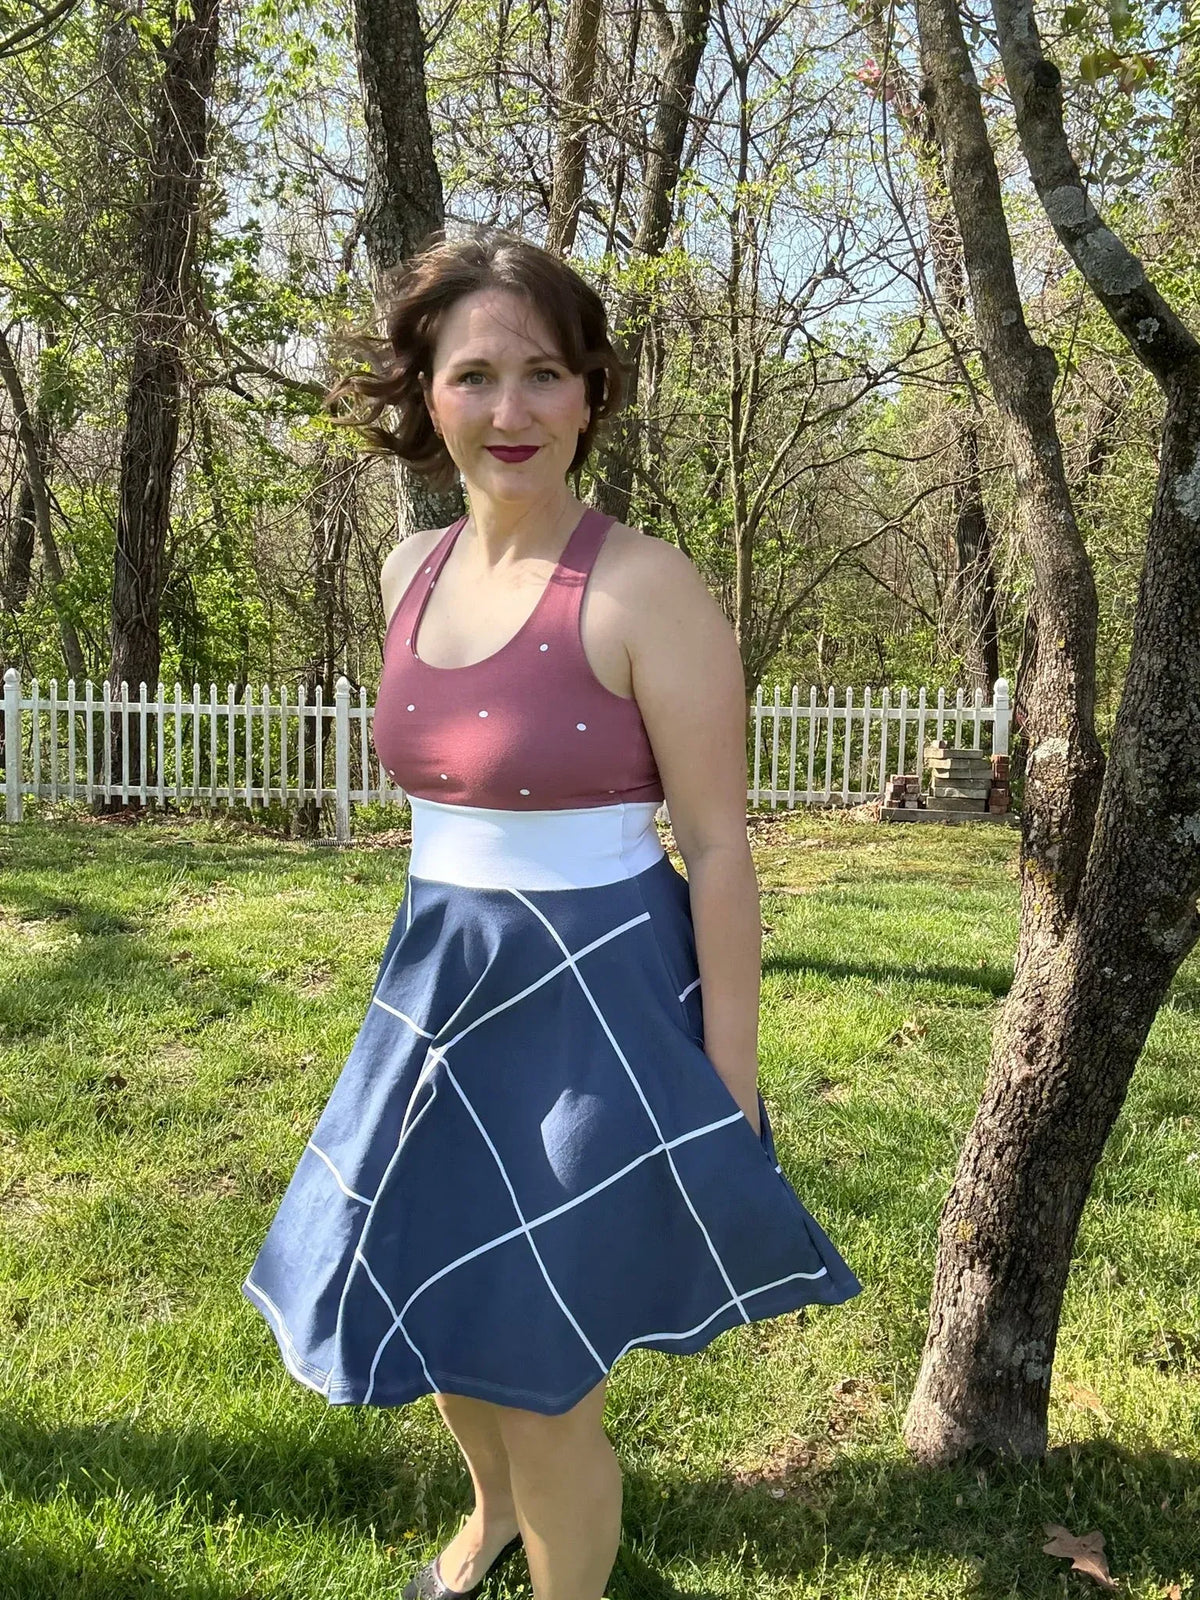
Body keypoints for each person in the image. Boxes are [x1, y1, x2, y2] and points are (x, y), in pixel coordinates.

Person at [241, 228, 860, 1600]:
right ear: (426, 395)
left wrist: (730, 1077)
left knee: (544, 1352)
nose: (509, 410)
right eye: (475, 376)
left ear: (590, 394)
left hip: (600, 1006)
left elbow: (715, 841)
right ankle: (490, 1520)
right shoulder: (406, 576)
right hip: (441, 993)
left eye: (543, 374)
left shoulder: (645, 588)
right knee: (435, 1291)